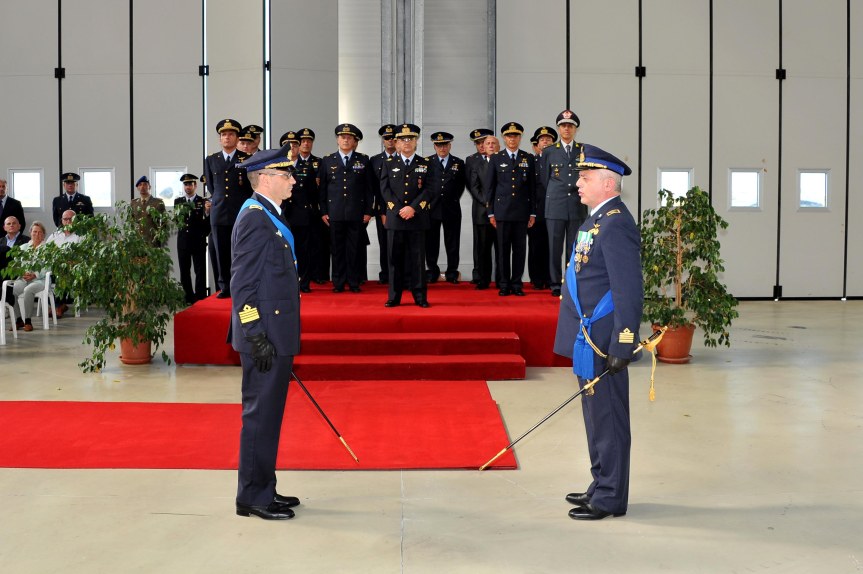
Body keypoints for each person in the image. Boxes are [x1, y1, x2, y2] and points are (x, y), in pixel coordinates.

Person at [553, 144, 643, 521]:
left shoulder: (617, 222)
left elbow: (628, 288)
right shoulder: (597, 219)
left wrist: (625, 340)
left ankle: (610, 497)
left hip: (604, 338)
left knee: (608, 417)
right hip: (588, 337)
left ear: (608, 184)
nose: (577, 183)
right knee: (595, 414)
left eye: (584, 178)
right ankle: (600, 483)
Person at [229, 145, 301, 521]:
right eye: (286, 175)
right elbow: (242, 285)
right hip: (265, 335)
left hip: (274, 331)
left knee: (269, 416)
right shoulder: (256, 218)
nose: (292, 180)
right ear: (267, 179)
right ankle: (252, 498)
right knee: (259, 417)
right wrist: (255, 333)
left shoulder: (270, 214)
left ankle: (263, 487)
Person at [318, 123, 374, 293]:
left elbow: (369, 189)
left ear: (354, 141)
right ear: (337, 140)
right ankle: (338, 282)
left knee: (354, 249)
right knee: (336, 250)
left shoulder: (363, 160)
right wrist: (323, 212)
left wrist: (368, 212)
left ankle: (354, 282)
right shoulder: (328, 160)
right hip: (334, 214)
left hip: (356, 213)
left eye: (349, 138)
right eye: (343, 137)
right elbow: (322, 189)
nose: (346, 140)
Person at [379, 123, 431, 308]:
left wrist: (414, 208)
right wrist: (398, 209)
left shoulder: (425, 163)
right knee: (394, 260)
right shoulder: (388, 163)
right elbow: (384, 190)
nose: (406, 142)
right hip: (395, 219)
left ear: (416, 142)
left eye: (410, 139)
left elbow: (429, 189)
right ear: (397, 143)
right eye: (402, 139)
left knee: (417, 261)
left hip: (417, 219)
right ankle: (394, 296)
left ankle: (420, 297)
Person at [203, 118, 253, 298]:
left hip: (239, 211)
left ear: (237, 138)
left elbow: (250, 186)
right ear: (219, 139)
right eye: (223, 134)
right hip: (218, 211)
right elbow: (211, 185)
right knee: (221, 250)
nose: (227, 137)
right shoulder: (211, 160)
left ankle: (242, 284)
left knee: (241, 250)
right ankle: (224, 287)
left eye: (231, 134)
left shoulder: (246, 159)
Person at [485, 122, 536, 297]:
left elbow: (532, 188)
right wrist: (491, 212)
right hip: (502, 212)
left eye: (515, 136)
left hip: (522, 212)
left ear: (520, 138)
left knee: (520, 250)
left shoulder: (527, 158)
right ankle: (504, 283)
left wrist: (532, 212)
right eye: (509, 136)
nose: (512, 139)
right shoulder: (496, 158)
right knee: (503, 249)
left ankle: (516, 283)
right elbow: (490, 187)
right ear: (504, 138)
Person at [541, 110, 586, 297]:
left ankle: (571, 283)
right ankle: (555, 284)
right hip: (556, 206)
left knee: (575, 248)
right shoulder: (549, 151)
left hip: (577, 205)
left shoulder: (583, 150)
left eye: (570, 125)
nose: (566, 128)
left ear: (576, 129)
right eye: (563, 125)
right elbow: (544, 180)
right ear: (559, 129)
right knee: (554, 247)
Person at [424, 131, 466, 284]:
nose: (442, 148)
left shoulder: (458, 163)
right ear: (434, 146)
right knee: (431, 243)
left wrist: (452, 198)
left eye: (445, 145)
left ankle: (452, 272)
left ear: (450, 145)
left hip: (451, 208)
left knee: (453, 242)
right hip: (431, 209)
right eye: (439, 145)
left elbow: (461, 185)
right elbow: (424, 186)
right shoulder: (427, 162)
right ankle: (432, 271)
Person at [282, 129, 320, 293]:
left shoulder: (307, 167)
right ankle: (285, 283)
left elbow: (313, 193)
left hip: (302, 215)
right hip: (283, 215)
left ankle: (304, 282)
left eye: (295, 144)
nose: (292, 147)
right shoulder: (276, 167)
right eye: (288, 145)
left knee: (303, 251)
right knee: (284, 251)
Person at [528, 126, 557, 290]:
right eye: (542, 139)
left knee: (552, 246)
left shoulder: (557, 161)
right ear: (537, 144)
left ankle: (550, 278)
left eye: (548, 139)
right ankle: (537, 278)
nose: (545, 142)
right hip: (536, 211)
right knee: (535, 245)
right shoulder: (532, 161)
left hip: (554, 210)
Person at [464, 129, 494, 287]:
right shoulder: (471, 160)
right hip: (481, 209)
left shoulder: (499, 158)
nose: (481, 145)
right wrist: (486, 201)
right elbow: (471, 185)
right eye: (478, 143)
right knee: (481, 246)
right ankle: (480, 276)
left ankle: (500, 278)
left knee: (500, 246)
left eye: (484, 141)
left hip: (500, 210)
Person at [174, 174, 211, 304]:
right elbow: (178, 221)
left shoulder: (203, 201)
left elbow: (208, 223)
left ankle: (200, 297)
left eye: (190, 184)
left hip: (198, 241)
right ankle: (188, 297)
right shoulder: (178, 202)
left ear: (195, 186)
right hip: (183, 242)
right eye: (185, 184)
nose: (188, 187)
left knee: (200, 271)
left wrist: (207, 213)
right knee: (184, 271)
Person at [369, 124, 398, 284]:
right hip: (383, 209)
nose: (391, 141)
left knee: (402, 244)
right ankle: (386, 274)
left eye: (394, 138)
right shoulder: (374, 160)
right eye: (387, 138)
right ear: (383, 140)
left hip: (402, 209)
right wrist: (381, 211)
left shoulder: (404, 158)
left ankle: (401, 274)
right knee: (384, 242)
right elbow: (374, 188)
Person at [10, 221, 49, 332]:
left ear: (43, 235)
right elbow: (16, 265)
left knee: (28, 290)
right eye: (34, 231)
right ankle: (18, 320)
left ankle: (28, 321)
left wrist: (35, 274)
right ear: (30, 232)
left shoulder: (48, 248)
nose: (37, 234)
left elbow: (49, 267)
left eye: (40, 232)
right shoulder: (23, 248)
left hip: (40, 280)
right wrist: (21, 272)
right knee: (12, 291)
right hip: (24, 277)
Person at [46, 209, 82, 317]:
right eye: (65, 219)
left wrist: (74, 262)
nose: (68, 221)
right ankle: (59, 306)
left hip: (72, 268)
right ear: (61, 221)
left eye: (71, 219)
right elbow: (45, 252)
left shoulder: (81, 236)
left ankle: (57, 306)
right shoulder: (54, 235)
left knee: (62, 274)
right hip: (53, 267)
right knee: (45, 276)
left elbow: (84, 255)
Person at [130, 176, 167, 247]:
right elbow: (131, 221)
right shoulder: (134, 203)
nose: (142, 187)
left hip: (153, 241)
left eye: (145, 184)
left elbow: (164, 222)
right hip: (137, 241)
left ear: (149, 187)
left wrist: (158, 236)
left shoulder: (158, 202)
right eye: (140, 185)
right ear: (137, 188)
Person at [1, 216, 30, 281]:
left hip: (17, 270)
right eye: (8, 224)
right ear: (4, 227)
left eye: (14, 223)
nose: (11, 225)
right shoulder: (0, 241)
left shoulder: (27, 240)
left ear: (19, 226)